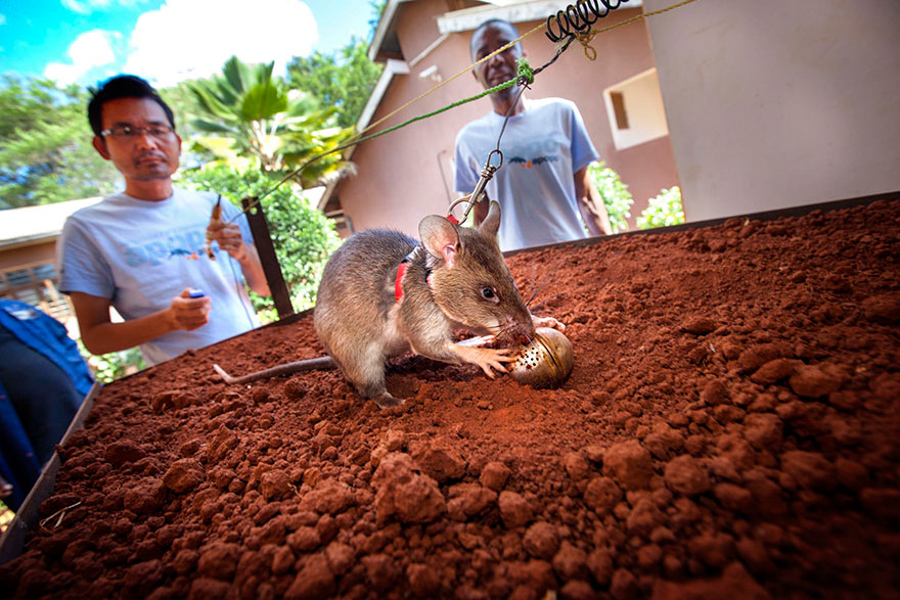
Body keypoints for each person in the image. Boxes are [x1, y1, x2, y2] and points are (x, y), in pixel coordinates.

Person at [58, 75, 270, 367]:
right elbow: (95, 338)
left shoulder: (212, 204)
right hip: (183, 384)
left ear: (177, 141)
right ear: (102, 146)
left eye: (157, 129)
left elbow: (264, 288)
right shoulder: (88, 229)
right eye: (126, 131)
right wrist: (169, 320)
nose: (146, 143)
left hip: (261, 356)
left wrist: (243, 254)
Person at [454, 18, 613, 252]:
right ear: (475, 73)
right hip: (515, 270)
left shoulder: (562, 113)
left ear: (524, 57)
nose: (496, 60)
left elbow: (587, 198)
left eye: (505, 48)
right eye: (484, 55)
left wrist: (613, 250)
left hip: (575, 254)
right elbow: (481, 219)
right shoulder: (468, 140)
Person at [0, 299, 94, 512]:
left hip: (88, 419)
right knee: (69, 510)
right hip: (35, 453)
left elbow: (64, 339)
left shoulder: (14, 309)